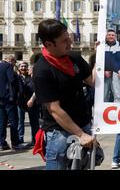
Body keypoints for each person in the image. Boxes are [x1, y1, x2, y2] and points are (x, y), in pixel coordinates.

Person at [33, 19, 96, 170]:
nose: (70, 43)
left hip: (83, 125)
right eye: (64, 41)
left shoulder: (74, 57)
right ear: (49, 44)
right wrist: (80, 135)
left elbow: (92, 81)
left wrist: (99, 57)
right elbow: (54, 109)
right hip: (60, 133)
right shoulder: (42, 70)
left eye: (68, 37)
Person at [0, 56, 23, 151]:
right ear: (11, 61)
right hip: (8, 98)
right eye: (15, 62)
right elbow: (12, 80)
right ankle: (15, 144)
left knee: (1, 122)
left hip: (0, 99)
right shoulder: (8, 66)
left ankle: (2, 143)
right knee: (13, 121)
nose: (14, 65)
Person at [16, 62, 39, 145]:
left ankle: (35, 139)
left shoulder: (31, 78)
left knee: (34, 122)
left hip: (32, 103)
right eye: (21, 66)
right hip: (20, 103)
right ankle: (20, 138)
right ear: (19, 68)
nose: (23, 68)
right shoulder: (16, 77)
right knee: (20, 121)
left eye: (25, 66)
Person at [103, 29, 117, 102]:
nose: (111, 36)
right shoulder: (102, 47)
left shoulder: (119, 47)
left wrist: (111, 71)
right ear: (106, 36)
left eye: (112, 35)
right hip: (104, 75)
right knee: (104, 96)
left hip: (116, 75)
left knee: (116, 95)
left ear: (115, 37)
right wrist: (104, 71)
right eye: (109, 35)